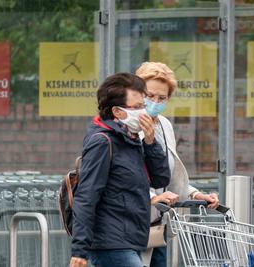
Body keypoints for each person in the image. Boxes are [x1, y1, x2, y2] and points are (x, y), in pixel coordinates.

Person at [69, 72, 171, 267]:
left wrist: (150, 142)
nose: (144, 112)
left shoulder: (131, 139)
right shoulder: (102, 141)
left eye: (144, 105)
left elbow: (160, 179)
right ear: (117, 112)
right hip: (110, 243)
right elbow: (86, 195)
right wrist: (79, 250)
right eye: (138, 107)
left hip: (131, 239)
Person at [136, 62, 220, 267]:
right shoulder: (129, 124)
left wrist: (195, 194)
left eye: (161, 98)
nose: (155, 101)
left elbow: (169, 174)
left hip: (157, 224)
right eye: (149, 95)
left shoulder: (165, 125)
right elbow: (124, 174)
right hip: (129, 224)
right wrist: (154, 197)